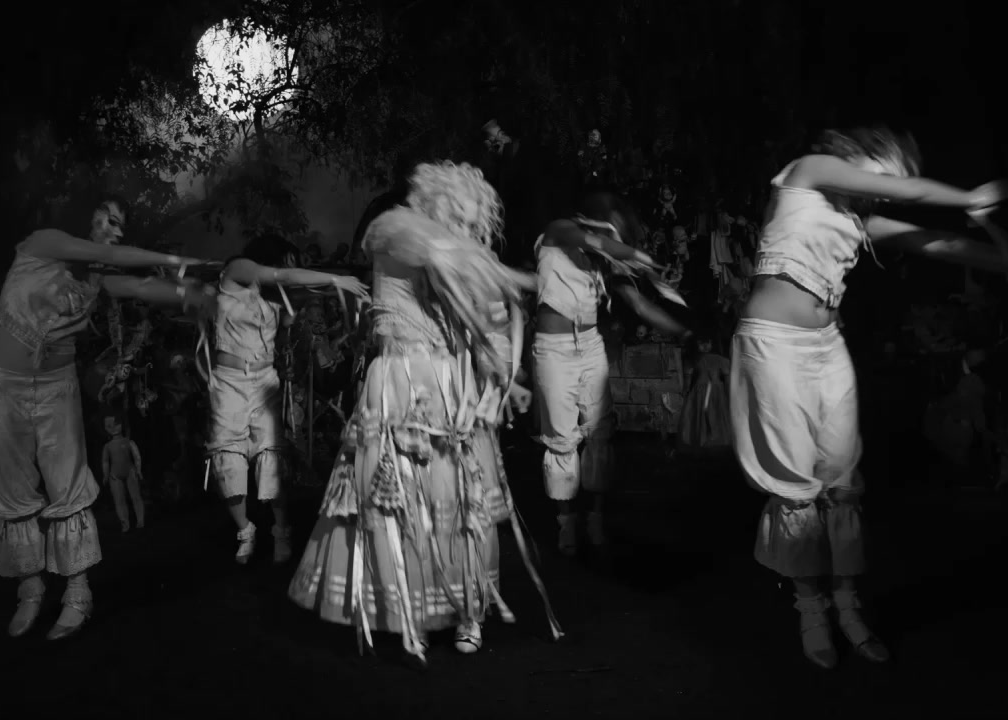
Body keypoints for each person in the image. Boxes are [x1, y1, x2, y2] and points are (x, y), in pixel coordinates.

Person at [730, 127, 1008, 669]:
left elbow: (934, 241)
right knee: (796, 486)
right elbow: (912, 194)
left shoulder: (857, 222)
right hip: (773, 342)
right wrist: (970, 197)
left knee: (843, 481)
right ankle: (811, 611)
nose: (886, 188)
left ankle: (849, 608)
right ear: (857, 157)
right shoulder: (807, 172)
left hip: (827, 345)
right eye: (885, 174)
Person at [289, 161, 542, 663]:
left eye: (472, 221)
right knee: (400, 503)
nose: (466, 227)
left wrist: (506, 379)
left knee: (459, 500)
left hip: (453, 388)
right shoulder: (393, 229)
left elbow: (484, 326)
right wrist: (507, 272)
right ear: (434, 203)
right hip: (400, 386)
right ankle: (414, 609)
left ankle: (468, 611)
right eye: (458, 215)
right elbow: (431, 249)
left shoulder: (463, 259)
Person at [0, 195, 216, 641]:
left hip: (57, 386)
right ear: (82, 217)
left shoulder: (98, 277)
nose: (116, 230)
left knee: (67, 482)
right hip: (4, 384)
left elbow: (143, 289)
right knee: (11, 483)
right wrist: (174, 260)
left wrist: (192, 293)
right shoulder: (44, 242)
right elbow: (112, 254)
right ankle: (30, 588)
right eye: (109, 220)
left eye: (121, 224)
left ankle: (78, 593)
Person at [531, 190, 688, 557]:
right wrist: (643, 258)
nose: (614, 234)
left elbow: (639, 304)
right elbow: (597, 242)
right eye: (612, 227)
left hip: (590, 345)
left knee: (600, 434)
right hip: (554, 349)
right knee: (562, 438)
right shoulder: (559, 230)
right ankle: (566, 522)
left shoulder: (602, 262)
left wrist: (684, 331)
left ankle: (594, 518)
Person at [207, 234, 369, 565]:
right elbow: (285, 276)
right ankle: (245, 530)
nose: (291, 269)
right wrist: (335, 279)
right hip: (229, 382)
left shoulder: (274, 296)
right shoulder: (238, 270)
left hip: (264, 381)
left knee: (270, 458)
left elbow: (290, 313)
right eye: (288, 262)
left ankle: (281, 530)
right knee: (228, 460)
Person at [101, 414, 146, 532]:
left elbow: (137, 456)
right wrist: (106, 475)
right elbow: (105, 461)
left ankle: (140, 520)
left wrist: (138, 470)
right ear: (105, 428)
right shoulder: (108, 446)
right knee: (119, 500)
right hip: (114, 475)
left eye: (116, 424)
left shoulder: (128, 442)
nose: (113, 428)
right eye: (109, 426)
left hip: (130, 472)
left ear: (121, 424)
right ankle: (124, 523)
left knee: (136, 497)